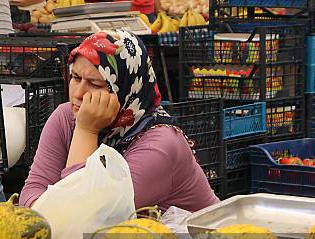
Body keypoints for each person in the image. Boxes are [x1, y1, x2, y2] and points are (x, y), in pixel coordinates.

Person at [19, 30, 219, 212]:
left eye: (95, 84)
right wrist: (47, 213)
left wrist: (86, 131)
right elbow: (33, 189)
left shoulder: (161, 144)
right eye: (75, 77)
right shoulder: (66, 117)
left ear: (126, 90)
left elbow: (86, 213)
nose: (79, 93)